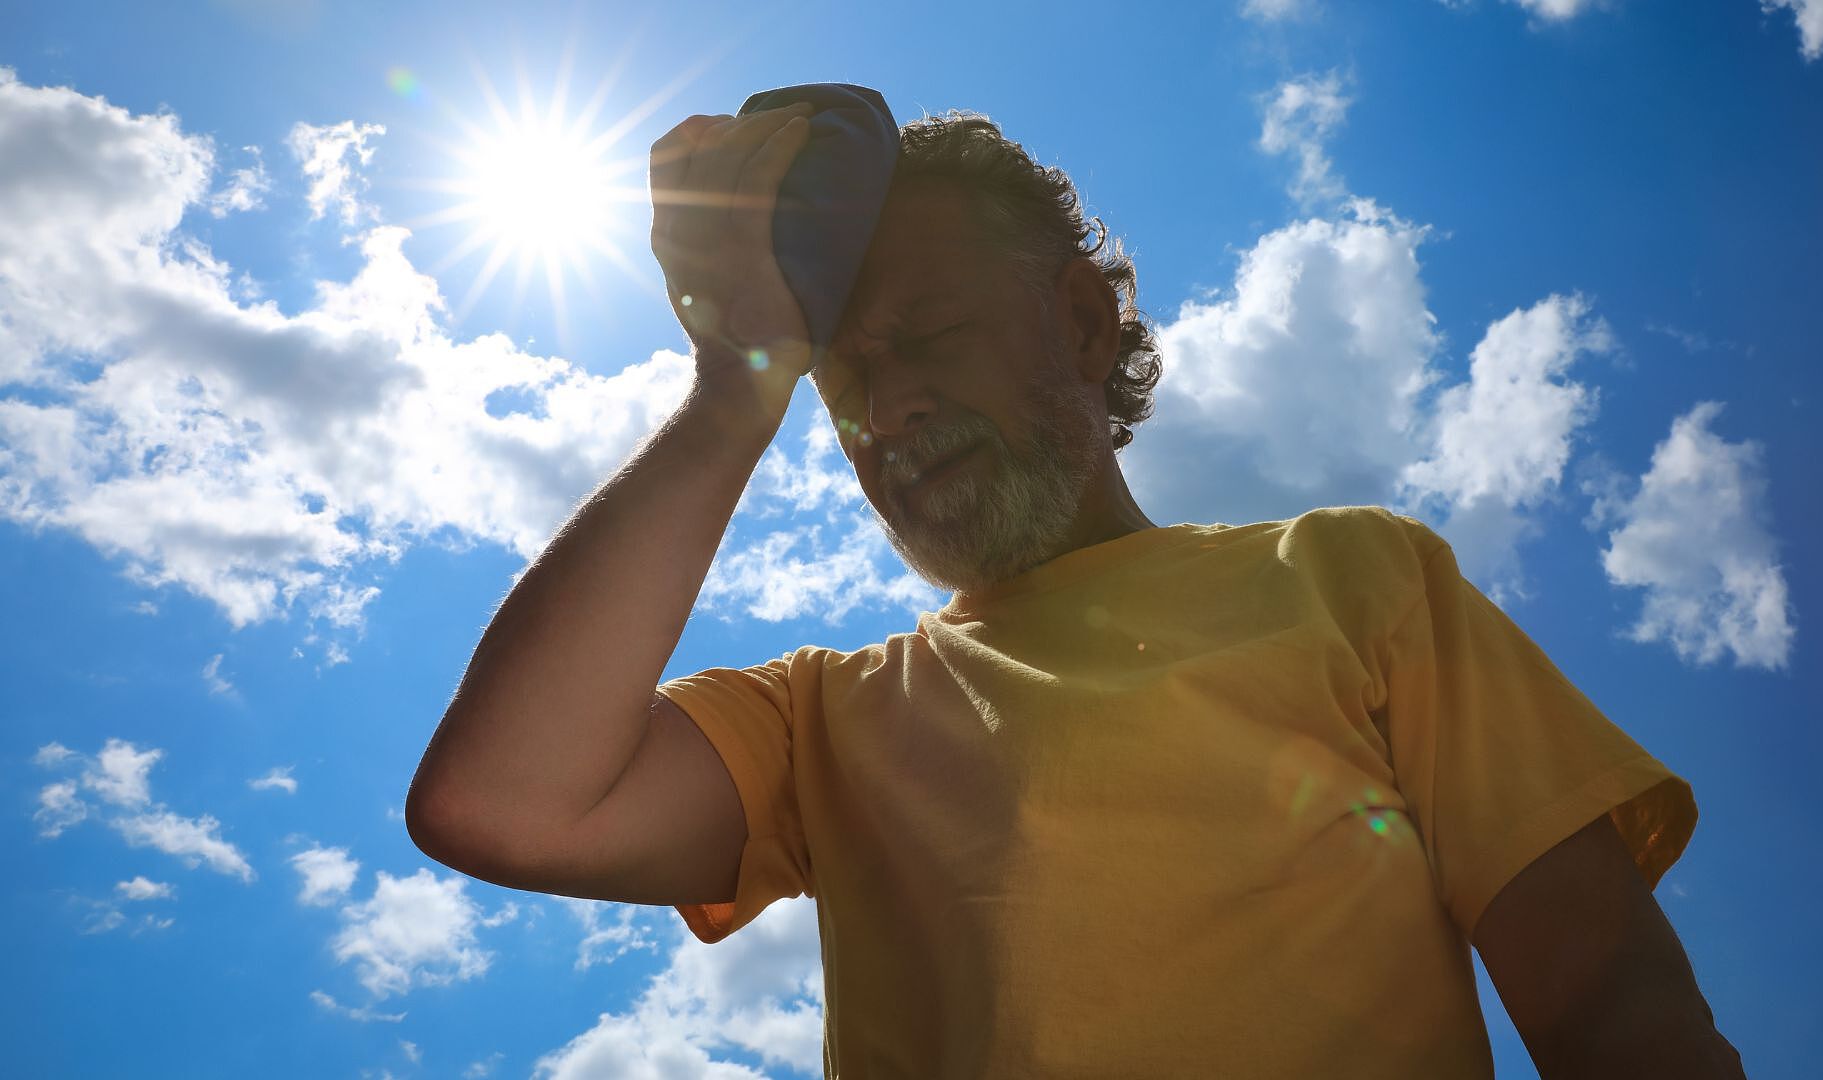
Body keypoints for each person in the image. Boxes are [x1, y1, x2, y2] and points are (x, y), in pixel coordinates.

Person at [406, 96, 1746, 1078]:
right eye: (842, 383)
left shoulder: (1352, 577)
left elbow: (1614, 1010)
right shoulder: (822, 719)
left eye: (926, 335)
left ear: (1084, 324)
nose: (892, 407)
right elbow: (498, 806)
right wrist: (736, 379)